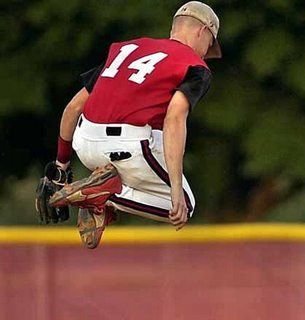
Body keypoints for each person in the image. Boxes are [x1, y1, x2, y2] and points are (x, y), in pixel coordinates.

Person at [36, 1, 221, 248]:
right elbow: (175, 118)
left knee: (155, 135)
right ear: (203, 31)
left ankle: (100, 195)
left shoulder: (127, 49)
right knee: (184, 205)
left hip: (85, 144)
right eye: (209, 45)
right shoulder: (195, 66)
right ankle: (106, 197)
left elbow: (73, 107)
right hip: (128, 147)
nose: (206, 53)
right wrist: (175, 187)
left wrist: (60, 169)